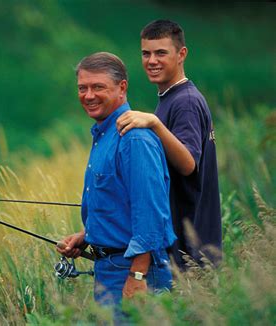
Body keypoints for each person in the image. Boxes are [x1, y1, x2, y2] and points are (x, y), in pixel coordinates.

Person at [57, 52, 176, 315]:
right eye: (82, 88)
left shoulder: (133, 138)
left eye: (98, 87)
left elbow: (150, 212)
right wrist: (86, 237)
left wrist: (137, 276)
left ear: (122, 88)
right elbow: (119, 203)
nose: (88, 95)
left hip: (133, 270)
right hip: (109, 269)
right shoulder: (104, 133)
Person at [116, 20, 222, 269]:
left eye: (161, 52)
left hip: (191, 252)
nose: (152, 61)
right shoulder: (171, 98)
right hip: (186, 249)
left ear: (181, 54)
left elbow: (187, 164)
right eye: (146, 53)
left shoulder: (184, 101)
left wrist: (154, 123)